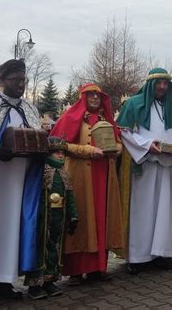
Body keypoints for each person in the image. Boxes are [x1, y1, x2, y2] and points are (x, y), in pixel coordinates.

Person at [0, 59, 43, 307]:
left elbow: (37, 138)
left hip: (19, 181)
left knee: (12, 230)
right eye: (16, 80)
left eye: (24, 80)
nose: (21, 85)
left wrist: (39, 151)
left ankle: (3, 284)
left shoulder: (30, 109)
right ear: (1, 81)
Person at [116, 68, 172, 274]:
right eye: (158, 83)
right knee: (142, 210)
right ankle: (138, 257)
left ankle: (163, 253)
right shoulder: (133, 104)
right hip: (144, 166)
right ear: (150, 84)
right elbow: (124, 133)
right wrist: (146, 145)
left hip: (169, 169)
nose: (162, 87)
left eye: (165, 83)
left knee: (166, 210)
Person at [50, 83, 124, 285]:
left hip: (104, 176)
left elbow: (118, 141)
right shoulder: (71, 118)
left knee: (101, 219)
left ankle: (97, 268)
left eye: (97, 96)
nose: (94, 99)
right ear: (83, 97)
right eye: (90, 95)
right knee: (81, 218)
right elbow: (62, 144)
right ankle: (75, 270)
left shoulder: (104, 119)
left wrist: (116, 149)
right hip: (81, 177)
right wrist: (89, 151)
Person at [25, 137, 79, 299]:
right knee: (40, 249)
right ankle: (35, 284)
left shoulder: (64, 173)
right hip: (44, 218)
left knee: (55, 248)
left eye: (62, 153)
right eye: (56, 152)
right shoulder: (41, 171)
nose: (61, 156)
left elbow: (70, 196)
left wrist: (74, 215)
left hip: (59, 219)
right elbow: (33, 195)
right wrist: (38, 213)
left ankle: (50, 281)